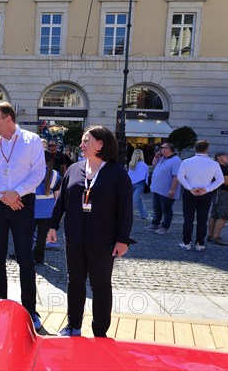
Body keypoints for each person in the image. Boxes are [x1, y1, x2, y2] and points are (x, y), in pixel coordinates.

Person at [47, 126, 133, 337]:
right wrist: (52, 225)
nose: (81, 145)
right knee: (74, 281)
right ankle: (73, 325)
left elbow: (125, 211)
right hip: (74, 236)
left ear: (101, 144)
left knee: (101, 285)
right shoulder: (74, 169)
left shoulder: (117, 174)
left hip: (103, 239)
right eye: (83, 141)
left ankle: (100, 331)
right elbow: (62, 202)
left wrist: (123, 240)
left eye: (87, 141)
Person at [0, 102, 45, 329]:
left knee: (25, 258)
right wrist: (4, 195)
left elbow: (38, 172)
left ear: (9, 119)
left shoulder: (31, 140)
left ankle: (30, 311)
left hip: (23, 204)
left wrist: (16, 193)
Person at [176, 140, 224, 251]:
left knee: (188, 219)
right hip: (205, 194)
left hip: (190, 193)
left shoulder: (186, 162)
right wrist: (207, 189)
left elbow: (180, 177)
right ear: (207, 149)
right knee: (202, 220)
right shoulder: (213, 163)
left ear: (195, 149)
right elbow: (220, 180)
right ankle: (200, 244)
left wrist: (190, 188)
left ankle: (186, 242)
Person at [144, 142, 182, 235]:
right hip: (157, 188)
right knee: (156, 208)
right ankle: (155, 224)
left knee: (166, 209)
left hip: (166, 190)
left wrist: (172, 189)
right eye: (161, 148)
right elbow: (154, 165)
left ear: (169, 149)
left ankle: (165, 226)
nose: (161, 149)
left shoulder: (176, 160)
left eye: (163, 148)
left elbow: (176, 176)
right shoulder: (162, 158)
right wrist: (156, 157)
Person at [32, 157, 62, 264]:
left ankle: (22, 255)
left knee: (26, 235)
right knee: (42, 236)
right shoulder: (54, 175)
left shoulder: (31, 172)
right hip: (47, 211)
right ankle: (39, 258)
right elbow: (57, 196)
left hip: (32, 209)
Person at [128, 149, 150, 220]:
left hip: (131, 183)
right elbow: (146, 176)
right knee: (134, 200)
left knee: (138, 200)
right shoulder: (144, 165)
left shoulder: (131, 164)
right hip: (140, 184)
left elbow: (129, 175)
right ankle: (126, 215)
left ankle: (144, 215)